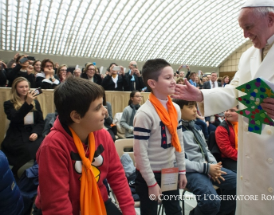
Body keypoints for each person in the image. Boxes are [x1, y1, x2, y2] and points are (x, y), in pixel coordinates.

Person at [172, 0, 274, 215]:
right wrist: (201, 95)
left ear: (270, 18)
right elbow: (237, 91)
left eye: (248, 27)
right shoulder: (248, 55)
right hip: (253, 152)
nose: (245, 34)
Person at [34, 77, 135, 214]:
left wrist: (129, 211)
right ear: (76, 116)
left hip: (98, 200)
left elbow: (117, 176)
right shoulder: (52, 146)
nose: (105, 111)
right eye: (98, 107)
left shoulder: (103, 135)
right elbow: (57, 206)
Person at [133, 59, 187, 215]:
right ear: (152, 83)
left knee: (174, 210)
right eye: (168, 78)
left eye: (174, 77)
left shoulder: (175, 108)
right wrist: (151, 183)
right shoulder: (144, 113)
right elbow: (140, 153)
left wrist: (182, 170)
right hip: (148, 175)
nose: (173, 81)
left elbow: (179, 141)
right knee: (150, 212)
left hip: (169, 170)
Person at [174, 99, 236, 215]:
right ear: (178, 110)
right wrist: (207, 168)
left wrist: (214, 166)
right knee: (210, 201)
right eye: (190, 107)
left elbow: (206, 150)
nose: (195, 110)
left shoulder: (196, 126)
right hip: (189, 171)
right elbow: (178, 162)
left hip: (207, 167)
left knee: (238, 184)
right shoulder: (174, 130)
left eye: (195, 106)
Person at [1, 77, 44, 175]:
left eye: (26, 86)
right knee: (26, 149)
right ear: (15, 88)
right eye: (21, 87)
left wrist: (36, 133)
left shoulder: (36, 102)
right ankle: (19, 171)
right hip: (17, 133)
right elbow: (16, 119)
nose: (25, 89)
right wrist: (27, 103)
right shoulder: (8, 104)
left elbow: (40, 122)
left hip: (32, 131)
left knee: (42, 145)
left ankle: (38, 171)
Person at [215, 106, 239, 172]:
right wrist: (242, 157)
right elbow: (227, 150)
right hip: (229, 159)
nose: (227, 113)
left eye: (232, 110)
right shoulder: (221, 129)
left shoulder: (243, 125)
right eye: (226, 110)